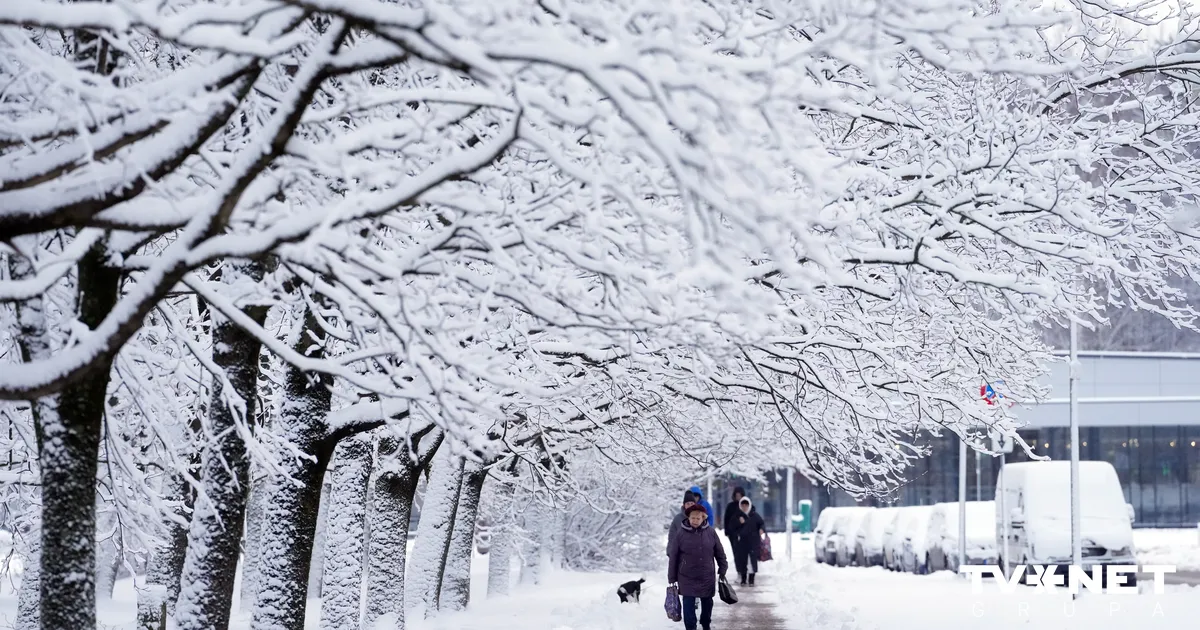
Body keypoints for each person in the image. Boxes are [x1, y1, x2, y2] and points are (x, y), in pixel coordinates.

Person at [667, 504, 728, 630]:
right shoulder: (681, 534)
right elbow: (674, 556)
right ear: (688, 518)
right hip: (686, 576)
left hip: (706, 575)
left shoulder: (710, 532)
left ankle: (706, 624)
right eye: (692, 518)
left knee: (707, 604)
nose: (695, 520)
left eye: (698, 518)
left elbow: (719, 552)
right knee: (688, 604)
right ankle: (691, 627)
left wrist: (723, 568)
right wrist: (672, 577)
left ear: (703, 518)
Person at [731, 496, 765, 586]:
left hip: (753, 542)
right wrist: (739, 523)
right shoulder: (737, 516)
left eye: (746, 505)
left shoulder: (754, 515)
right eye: (743, 505)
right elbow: (732, 528)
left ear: (749, 505)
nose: (744, 507)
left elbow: (761, 524)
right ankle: (743, 578)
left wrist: (761, 529)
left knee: (752, 561)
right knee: (742, 560)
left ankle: (751, 579)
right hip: (741, 543)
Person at [667, 491, 698, 556]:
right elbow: (672, 537)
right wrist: (671, 552)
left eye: (692, 503)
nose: (690, 506)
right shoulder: (677, 519)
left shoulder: (700, 518)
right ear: (684, 505)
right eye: (688, 504)